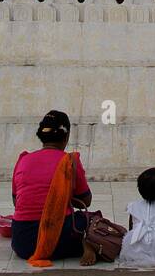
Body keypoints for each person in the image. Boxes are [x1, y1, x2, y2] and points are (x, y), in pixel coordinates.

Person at [10, 109, 93, 266]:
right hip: (60, 241)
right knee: (92, 219)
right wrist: (63, 195)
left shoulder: (23, 160)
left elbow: (17, 202)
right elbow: (86, 201)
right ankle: (85, 246)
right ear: (66, 136)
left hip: (22, 243)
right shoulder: (70, 161)